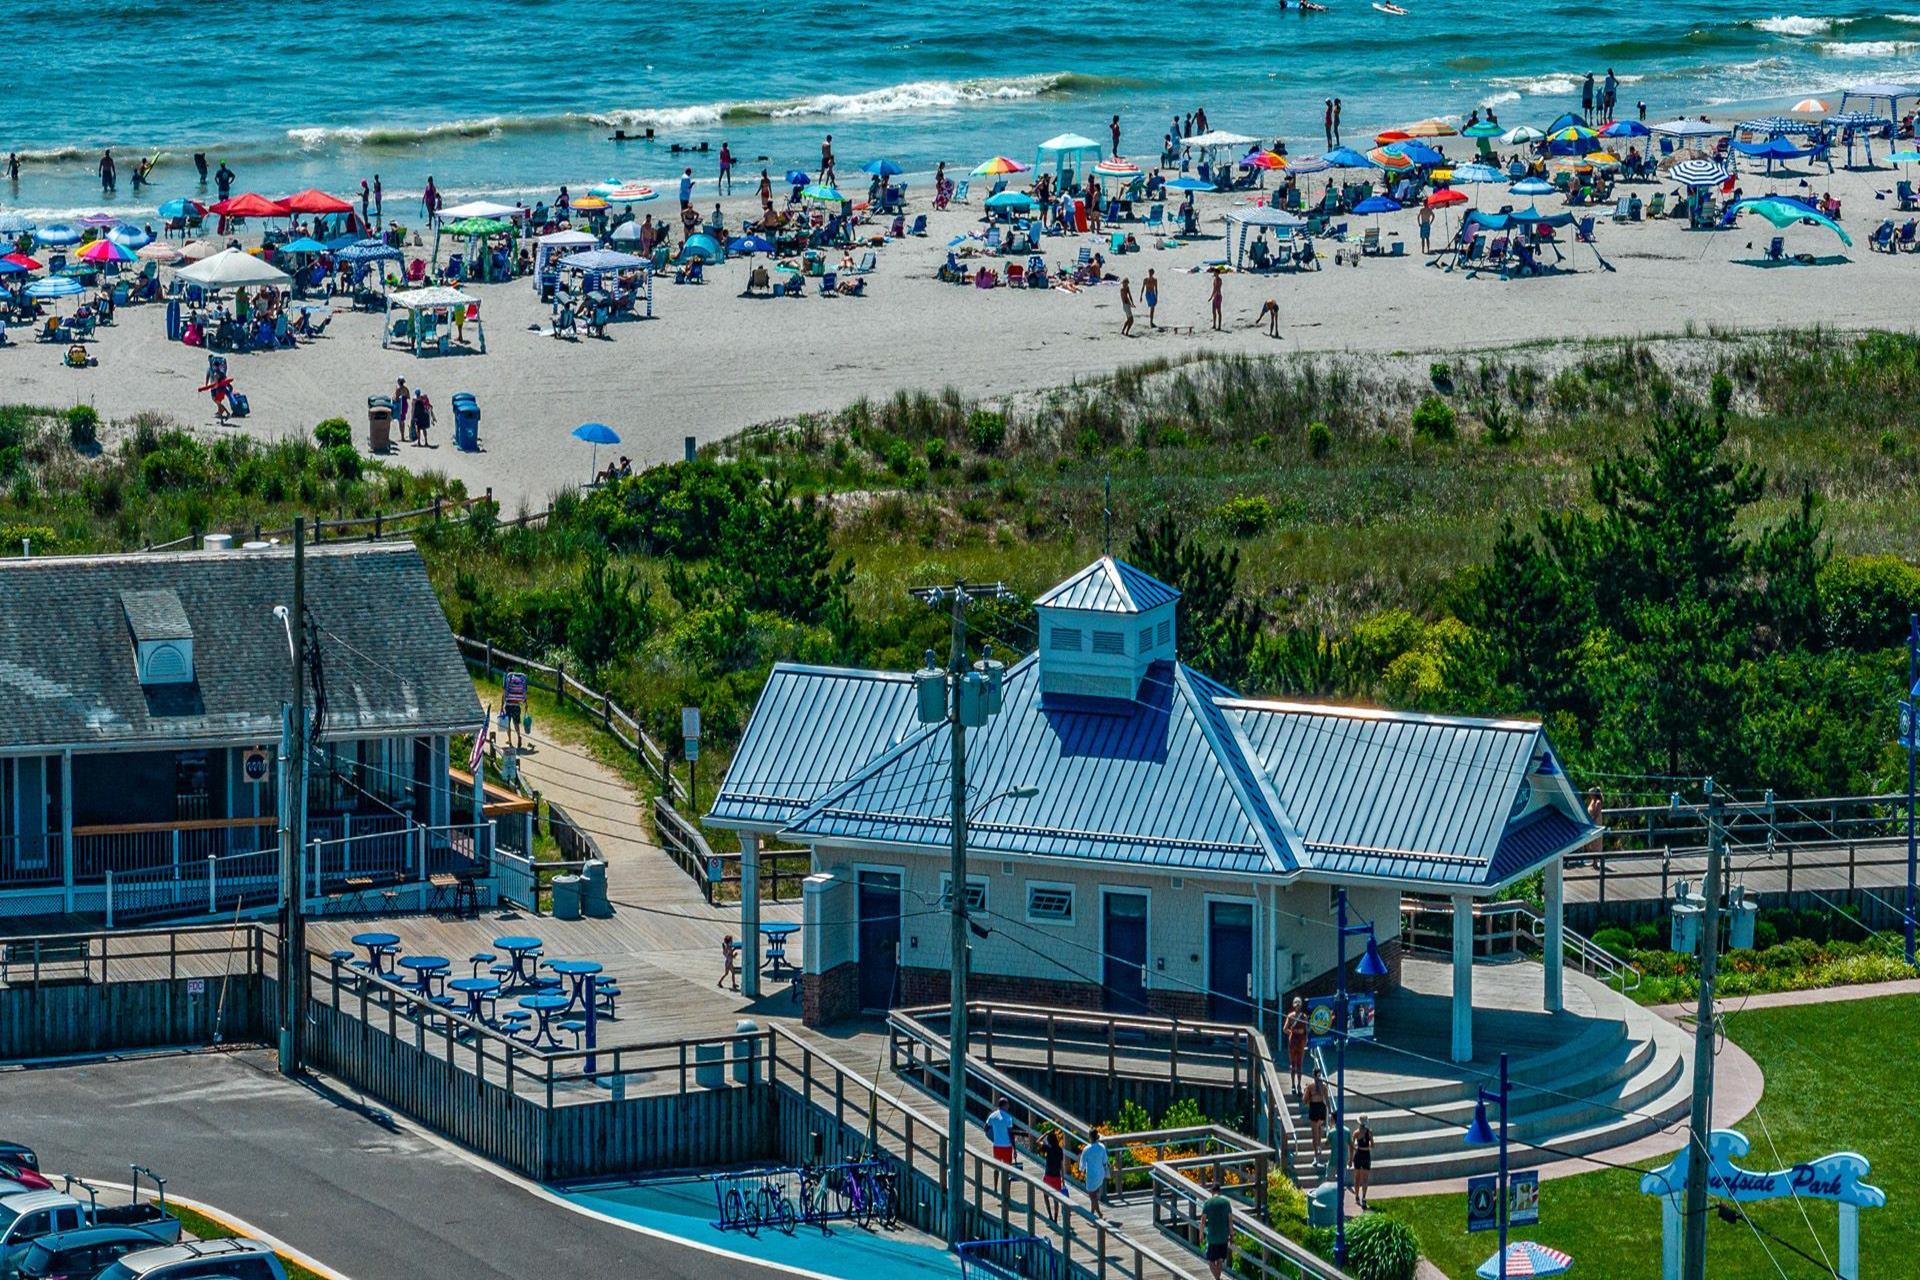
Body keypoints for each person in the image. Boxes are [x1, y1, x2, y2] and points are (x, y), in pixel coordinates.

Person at [984, 1097, 1020, 1192]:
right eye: (1007, 1104)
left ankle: (995, 1188)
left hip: (997, 1146)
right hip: (1007, 1147)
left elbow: (986, 1128)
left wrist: (993, 1137)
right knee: (1007, 1170)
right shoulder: (1008, 1118)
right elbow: (1010, 1134)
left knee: (996, 1168)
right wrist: (1015, 1149)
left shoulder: (992, 1116)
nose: (1009, 1106)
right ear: (1004, 1105)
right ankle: (1007, 1191)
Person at [1202, 1181, 1233, 1280]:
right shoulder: (1226, 1203)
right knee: (1220, 1260)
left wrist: (1200, 1234)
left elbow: (1202, 1221)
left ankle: (1217, 1279)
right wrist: (1231, 1234)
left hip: (1212, 1237)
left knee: (1211, 1260)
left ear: (1212, 1191)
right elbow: (1230, 1221)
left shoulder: (1207, 1203)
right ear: (1220, 1191)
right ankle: (1218, 1278)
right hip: (1223, 1236)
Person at [1282, 997, 1310, 1092]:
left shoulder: (1304, 1017)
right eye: (1296, 1003)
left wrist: (1305, 1040)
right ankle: (1293, 1084)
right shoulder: (1290, 1016)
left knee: (1299, 1064)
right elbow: (1285, 1029)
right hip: (1293, 1041)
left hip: (1300, 1041)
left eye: (1298, 1003)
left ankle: (1298, 1084)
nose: (1297, 1005)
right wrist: (1292, 1032)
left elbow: (1306, 1031)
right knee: (1293, 1064)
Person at [1304, 1066, 1330, 1163]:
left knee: (1315, 1134)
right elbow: (1327, 1100)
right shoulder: (1323, 1087)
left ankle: (1316, 1154)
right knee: (1319, 1130)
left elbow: (1305, 1100)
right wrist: (1330, 1112)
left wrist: (1306, 1092)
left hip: (1315, 1108)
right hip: (1321, 1108)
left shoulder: (1310, 1087)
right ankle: (1318, 1148)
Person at [1081, 1129, 1110, 1216]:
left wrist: (1082, 1170)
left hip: (1091, 1175)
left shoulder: (1086, 1149)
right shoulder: (1102, 1147)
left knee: (1092, 1195)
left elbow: (1082, 1164)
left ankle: (1095, 1214)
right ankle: (1095, 1213)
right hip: (1100, 1173)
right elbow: (1105, 1160)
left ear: (1090, 1137)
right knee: (1095, 1194)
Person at [1040, 1128, 1066, 1218]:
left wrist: (1045, 1133)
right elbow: (1062, 1166)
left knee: (1046, 1196)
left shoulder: (1047, 1148)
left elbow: (1037, 1142)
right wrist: (1063, 1179)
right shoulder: (1060, 1150)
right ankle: (1055, 1217)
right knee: (1056, 1199)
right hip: (1057, 1177)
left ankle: (1050, 1215)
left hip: (1048, 1176)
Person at [501, 669, 529, 749]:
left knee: (508, 724)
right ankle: (519, 736)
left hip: (508, 705)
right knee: (516, 723)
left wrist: (501, 706)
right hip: (516, 705)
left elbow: (504, 694)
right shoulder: (518, 681)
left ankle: (510, 741)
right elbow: (523, 693)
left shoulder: (507, 679)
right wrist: (526, 704)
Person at [1350, 1116, 1375, 1208]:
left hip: (1358, 1154)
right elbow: (1372, 1145)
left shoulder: (1356, 1133)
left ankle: (1356, 1196)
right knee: (1365, 1178)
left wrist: (1356, 1149)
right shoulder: (1369, 1132)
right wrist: (1367, 1146)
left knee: (1357, 1177)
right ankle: (1364, 1197)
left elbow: (1352, 1146)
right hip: (1366, 1155)